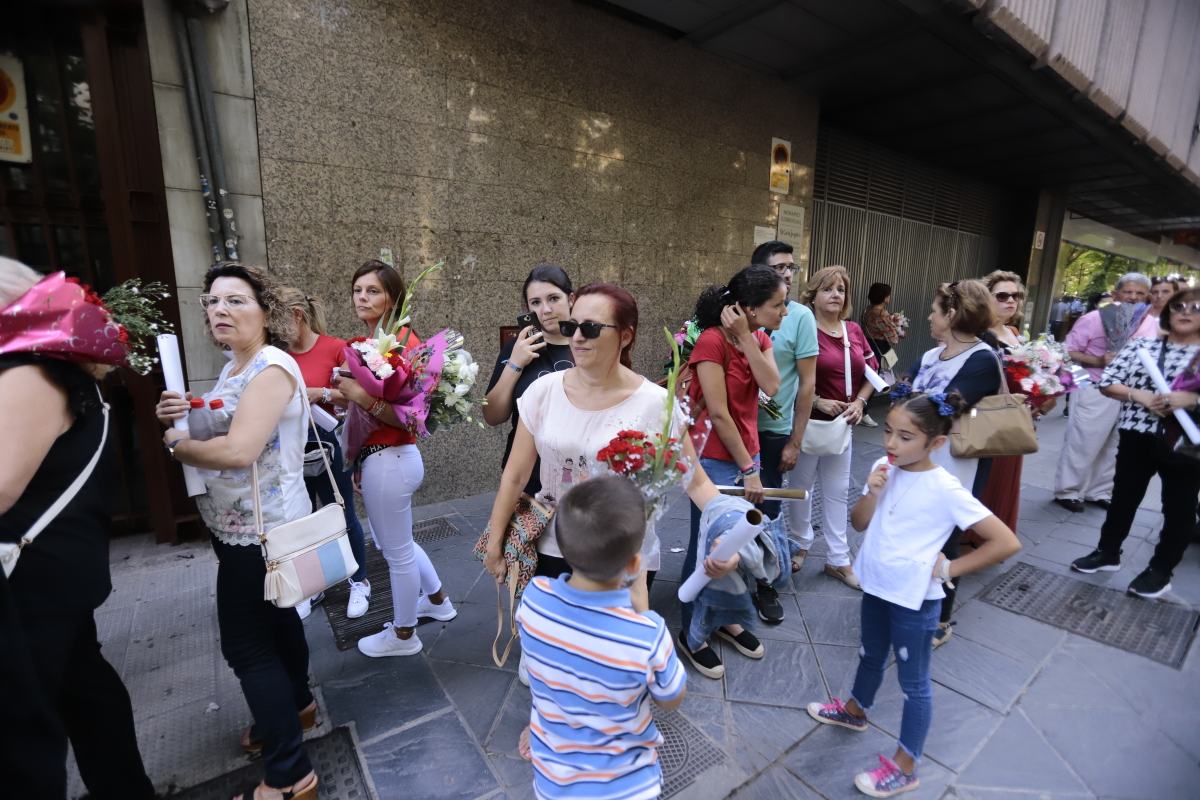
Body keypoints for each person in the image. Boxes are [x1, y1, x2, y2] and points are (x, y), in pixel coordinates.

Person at [481, 283, 738, 681]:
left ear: (626, 335)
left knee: (609, 660)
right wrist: (495, 541)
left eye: (591, 327)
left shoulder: (656, 404)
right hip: (551, 546)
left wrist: (728, 532)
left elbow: (698, 483)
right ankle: (552, 723)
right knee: (552, 655)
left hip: (623, 557)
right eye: (571, 326)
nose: (577, 337)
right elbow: (515, 475)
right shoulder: (543, 392)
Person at [806, 389, 1020, 799]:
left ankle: (906, 765)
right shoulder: (883, 467)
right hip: (877, 586)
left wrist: (950, 569)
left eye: (905, 437)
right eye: (888, 431)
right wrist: (872, 491)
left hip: (916, 600)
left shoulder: (946, 488)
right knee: (869, 654)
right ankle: (855, 711)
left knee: (913, 683)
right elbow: (859, 522)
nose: (890, 443)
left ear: (935, 443)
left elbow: (1005, 542)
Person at [155, 263, 318, 800]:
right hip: (242, 528)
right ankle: (297, 707)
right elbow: (224, 425)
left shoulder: (270, 367)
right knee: (279, 623)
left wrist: (176, 445)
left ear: (266, 313)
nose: (219, 310)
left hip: (261, 533)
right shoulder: (236, 367)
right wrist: (182, 411)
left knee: (247, 648)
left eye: (235, 301)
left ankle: (290, 774)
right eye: (211, 301)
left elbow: (240, 450)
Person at [0, 258, 155, 800]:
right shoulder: (43, 372)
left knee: (32, 723)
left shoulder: (31, 374)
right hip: (48, 577)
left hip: (33, 580)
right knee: (83, 691)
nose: (217, 312)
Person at [516, 475, 687, 800]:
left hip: (555, 780)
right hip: (628, 786)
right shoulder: (647, 634)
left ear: (563, 547)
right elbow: (671, 699)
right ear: (636, 563)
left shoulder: (534, 599)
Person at [335, 260, 455, 658]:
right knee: (398, 543)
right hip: (384, 459)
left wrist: (356, 393)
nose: (362, 298)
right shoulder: (377, 340)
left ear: (393, 296)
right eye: (357, 290)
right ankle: (437, 601)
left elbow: (407, 415)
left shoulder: (400, 341)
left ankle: (404, 635)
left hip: (392, 457)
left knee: (396, 552)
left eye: (372, 291)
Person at [682, 265, 785, 665]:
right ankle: (691, 630)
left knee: (735, 544)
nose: (784, 311)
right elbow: (720, 415)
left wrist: (746, 337)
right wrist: (750, 470)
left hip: (747, 453)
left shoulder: (757, 337)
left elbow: (773, 386)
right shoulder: (710, 342)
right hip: (713, 460)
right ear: (748, 307)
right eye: (777, 304)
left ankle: (723, 618)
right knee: (707, 543)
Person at [1071, 287, 1200, 598]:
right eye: (1178, 306)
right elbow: (1107, 381)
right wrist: (1138, 395)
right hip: (1137, 434)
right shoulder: (1142, 346)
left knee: (1179, 509)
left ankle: (1161, 570)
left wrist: (1192, 398)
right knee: (1123, 498)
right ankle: (1107, 553)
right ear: (1168, 312)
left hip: (1186, 444)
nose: (1185, 311)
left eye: (1195, 308)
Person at [909, 279, 1000, 647]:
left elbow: (947, 407)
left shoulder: (982, 358)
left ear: (952, 313)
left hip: (956, 462)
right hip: (917, 459)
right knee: (917, 531)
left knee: (947, 537)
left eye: (935, 310)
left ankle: (941, 619)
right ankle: (912, 598)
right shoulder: (931, 355)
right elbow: (901, 393)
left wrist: (913, 399)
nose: (929, 316)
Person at [279, 287, 371, 621]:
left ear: (297, 315)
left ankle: (359, 581)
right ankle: (315, 584)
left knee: (341, 512)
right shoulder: (280, 355)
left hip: (330, 443)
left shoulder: (335, 348)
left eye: (279, 318)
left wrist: (320, 393)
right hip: (291, 447)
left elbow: (357, 396)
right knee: (302, 520)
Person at [788, 266, 877, 589]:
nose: (836, 295)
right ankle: (800, 544)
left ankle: (838, 559)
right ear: (812, 295)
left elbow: (872, 372)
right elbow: (787, 378)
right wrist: (817, 401)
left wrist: (860, 403)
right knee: (801, 488)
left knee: (838, 492)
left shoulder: (853, 330)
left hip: (842, 427)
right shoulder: (802, 326)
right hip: (807, 424)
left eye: (841, 289)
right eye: (828, 289)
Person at [751, 242, 818, 605]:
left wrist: (796, 439)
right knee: (734, 506)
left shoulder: (800, 317)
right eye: (779, 268)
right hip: (735, 430)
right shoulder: (741, 314)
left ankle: (767, 583)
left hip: (775, 430)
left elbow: (807, 384)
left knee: (768, 507)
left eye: (791, 267)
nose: (788, 274)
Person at [1054, 273, 1151, 513]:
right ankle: (1068, 491)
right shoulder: (1093, 318)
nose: (1133, 297)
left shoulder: (1149, 323)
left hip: (1129, 392)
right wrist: (1098, 360)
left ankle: (1099, 491)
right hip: (1093, 387)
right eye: (1128, 292)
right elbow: (1067, 352)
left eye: (1140, 294)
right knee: (1083, 442)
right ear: (1116, 294)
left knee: (1115, 447)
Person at [484, 264, 575, 498]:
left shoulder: (586, 345)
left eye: (554, 298)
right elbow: (493, 416)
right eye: (536, 302)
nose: (546, 309)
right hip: (526, 478)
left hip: (577, 474)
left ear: (571, 299)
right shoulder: (518, 348)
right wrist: (515, 363)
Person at [975, 270, 1028, 536]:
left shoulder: (1016, 333)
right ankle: (970, 535)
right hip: (987, 420)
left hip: (1017, 419)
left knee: (1006, 476)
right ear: (987, 298)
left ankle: (994, 536)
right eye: (1003, 295)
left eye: (1016, 296)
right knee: (985, 478)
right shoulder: (977, 334)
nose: (1011, 300)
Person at [859, 281, 904, 427]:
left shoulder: (866, 311)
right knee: (874, 381)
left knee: (866, 378)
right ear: (884, 297)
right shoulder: (882, 314)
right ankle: (863, 412)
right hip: (880, 348)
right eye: (888, 295)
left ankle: (861, 409)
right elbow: (894, 338)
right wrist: (898, 326)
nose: (889, 298)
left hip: (866, 347)